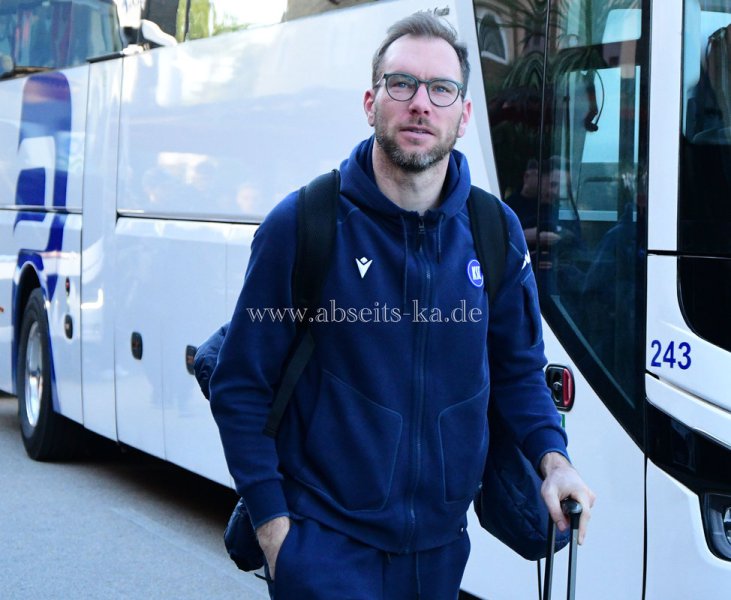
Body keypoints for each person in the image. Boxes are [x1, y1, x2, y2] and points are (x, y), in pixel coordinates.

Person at [209, 11, 595, 599]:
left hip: (439, 556)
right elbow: (240, 385)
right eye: (402, 84)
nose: (420, 104)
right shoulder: (304, 223)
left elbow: (519, 372)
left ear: (464, 114)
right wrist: (274, 530)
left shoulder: (495, 232)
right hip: (324, 549)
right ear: (371, 103)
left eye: (441, 89)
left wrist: (554, 459)